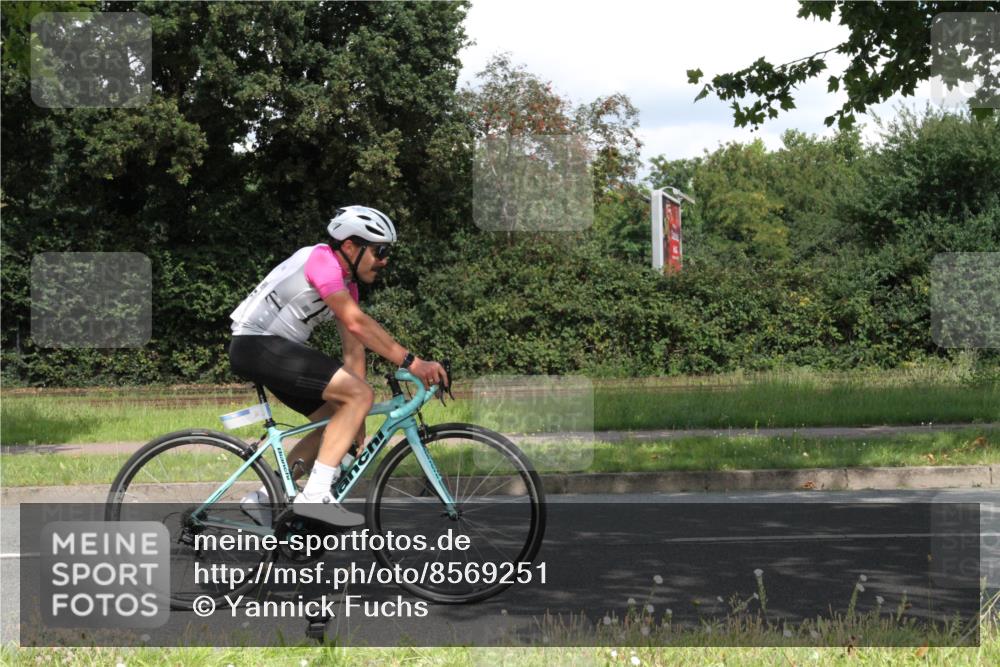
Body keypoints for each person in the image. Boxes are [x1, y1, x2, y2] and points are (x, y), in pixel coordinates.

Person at [228, 205, 448, 528]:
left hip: (271, 348)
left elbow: (353, 349)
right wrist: (412, 362)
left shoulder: (347, 284)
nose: (385, 260)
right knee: (359, 395)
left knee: (333, 420)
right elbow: (356, 323)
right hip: (256, 344)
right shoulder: (320, 261)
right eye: (380, 251)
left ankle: (264, 496)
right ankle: (315, 496)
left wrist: (355, 414)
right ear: (349, 246)